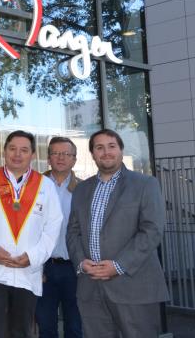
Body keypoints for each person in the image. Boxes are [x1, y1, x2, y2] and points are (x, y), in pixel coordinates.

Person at [66, 129, 169, 337]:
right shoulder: (81, 189)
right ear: (93, 154)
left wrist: (119, 265)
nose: (106, 152)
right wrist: (80, 262)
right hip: (91, 287)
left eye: (111, 146)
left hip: (134, 286)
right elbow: (73, 232)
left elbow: (152, 230)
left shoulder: (145, 184)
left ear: (121, 150)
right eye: (99, 147)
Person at [0, 130, 63, 338]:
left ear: (33, 155)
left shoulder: (45, 186)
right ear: (4, 151)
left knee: (22, 333)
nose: (17, 154)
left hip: (26, 273)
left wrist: (32, 257)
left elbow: (53, 227)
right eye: (12, 149)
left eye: (24, 150)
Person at [36, 137, 83, 338]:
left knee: (75, 325)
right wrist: (35, 266)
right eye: (56, 153)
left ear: (74, 159)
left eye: (66, 154)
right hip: (43, 268)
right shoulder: (35, 187)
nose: (61, 157)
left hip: (75, 267)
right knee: (46, 325)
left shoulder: (84, 189)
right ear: (48, 158)